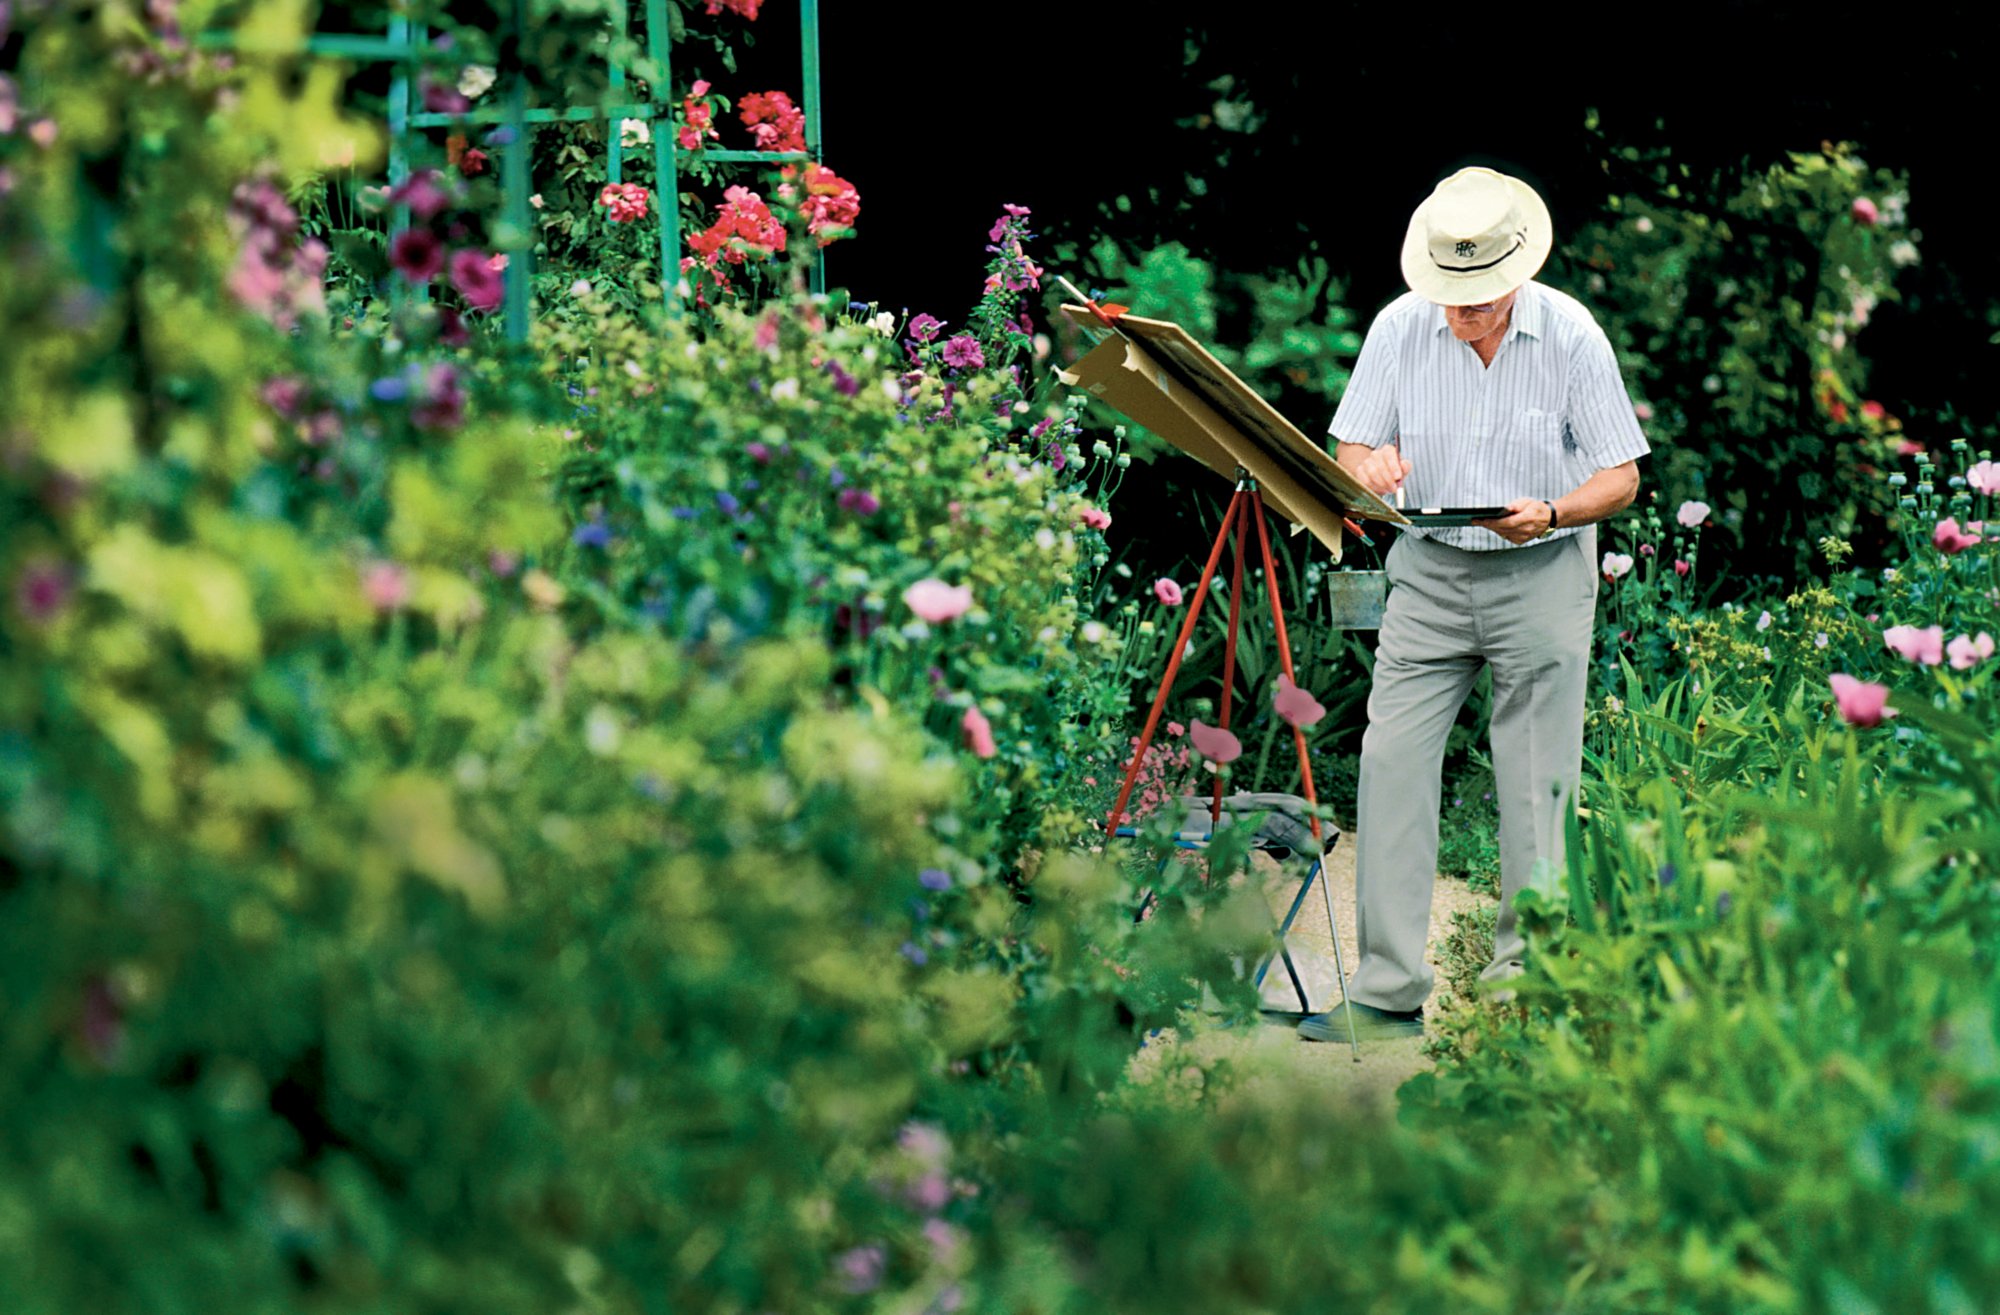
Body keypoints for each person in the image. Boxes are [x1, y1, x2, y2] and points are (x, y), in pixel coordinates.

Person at [1298, 166, 1649, 1043]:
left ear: (1516, 275)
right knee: (1389, 765)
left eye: (1479, 299)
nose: (1461, 313)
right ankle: (1385, 990)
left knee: (1538, 786)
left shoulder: (1571, 336)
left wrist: (1558, 511)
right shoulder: (1399, 327)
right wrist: (1366, 465)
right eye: (1449, 296)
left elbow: (1624, 477)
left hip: (1544, 570)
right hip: (1429, 570)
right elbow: (1351, 449)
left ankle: (1524, 996)